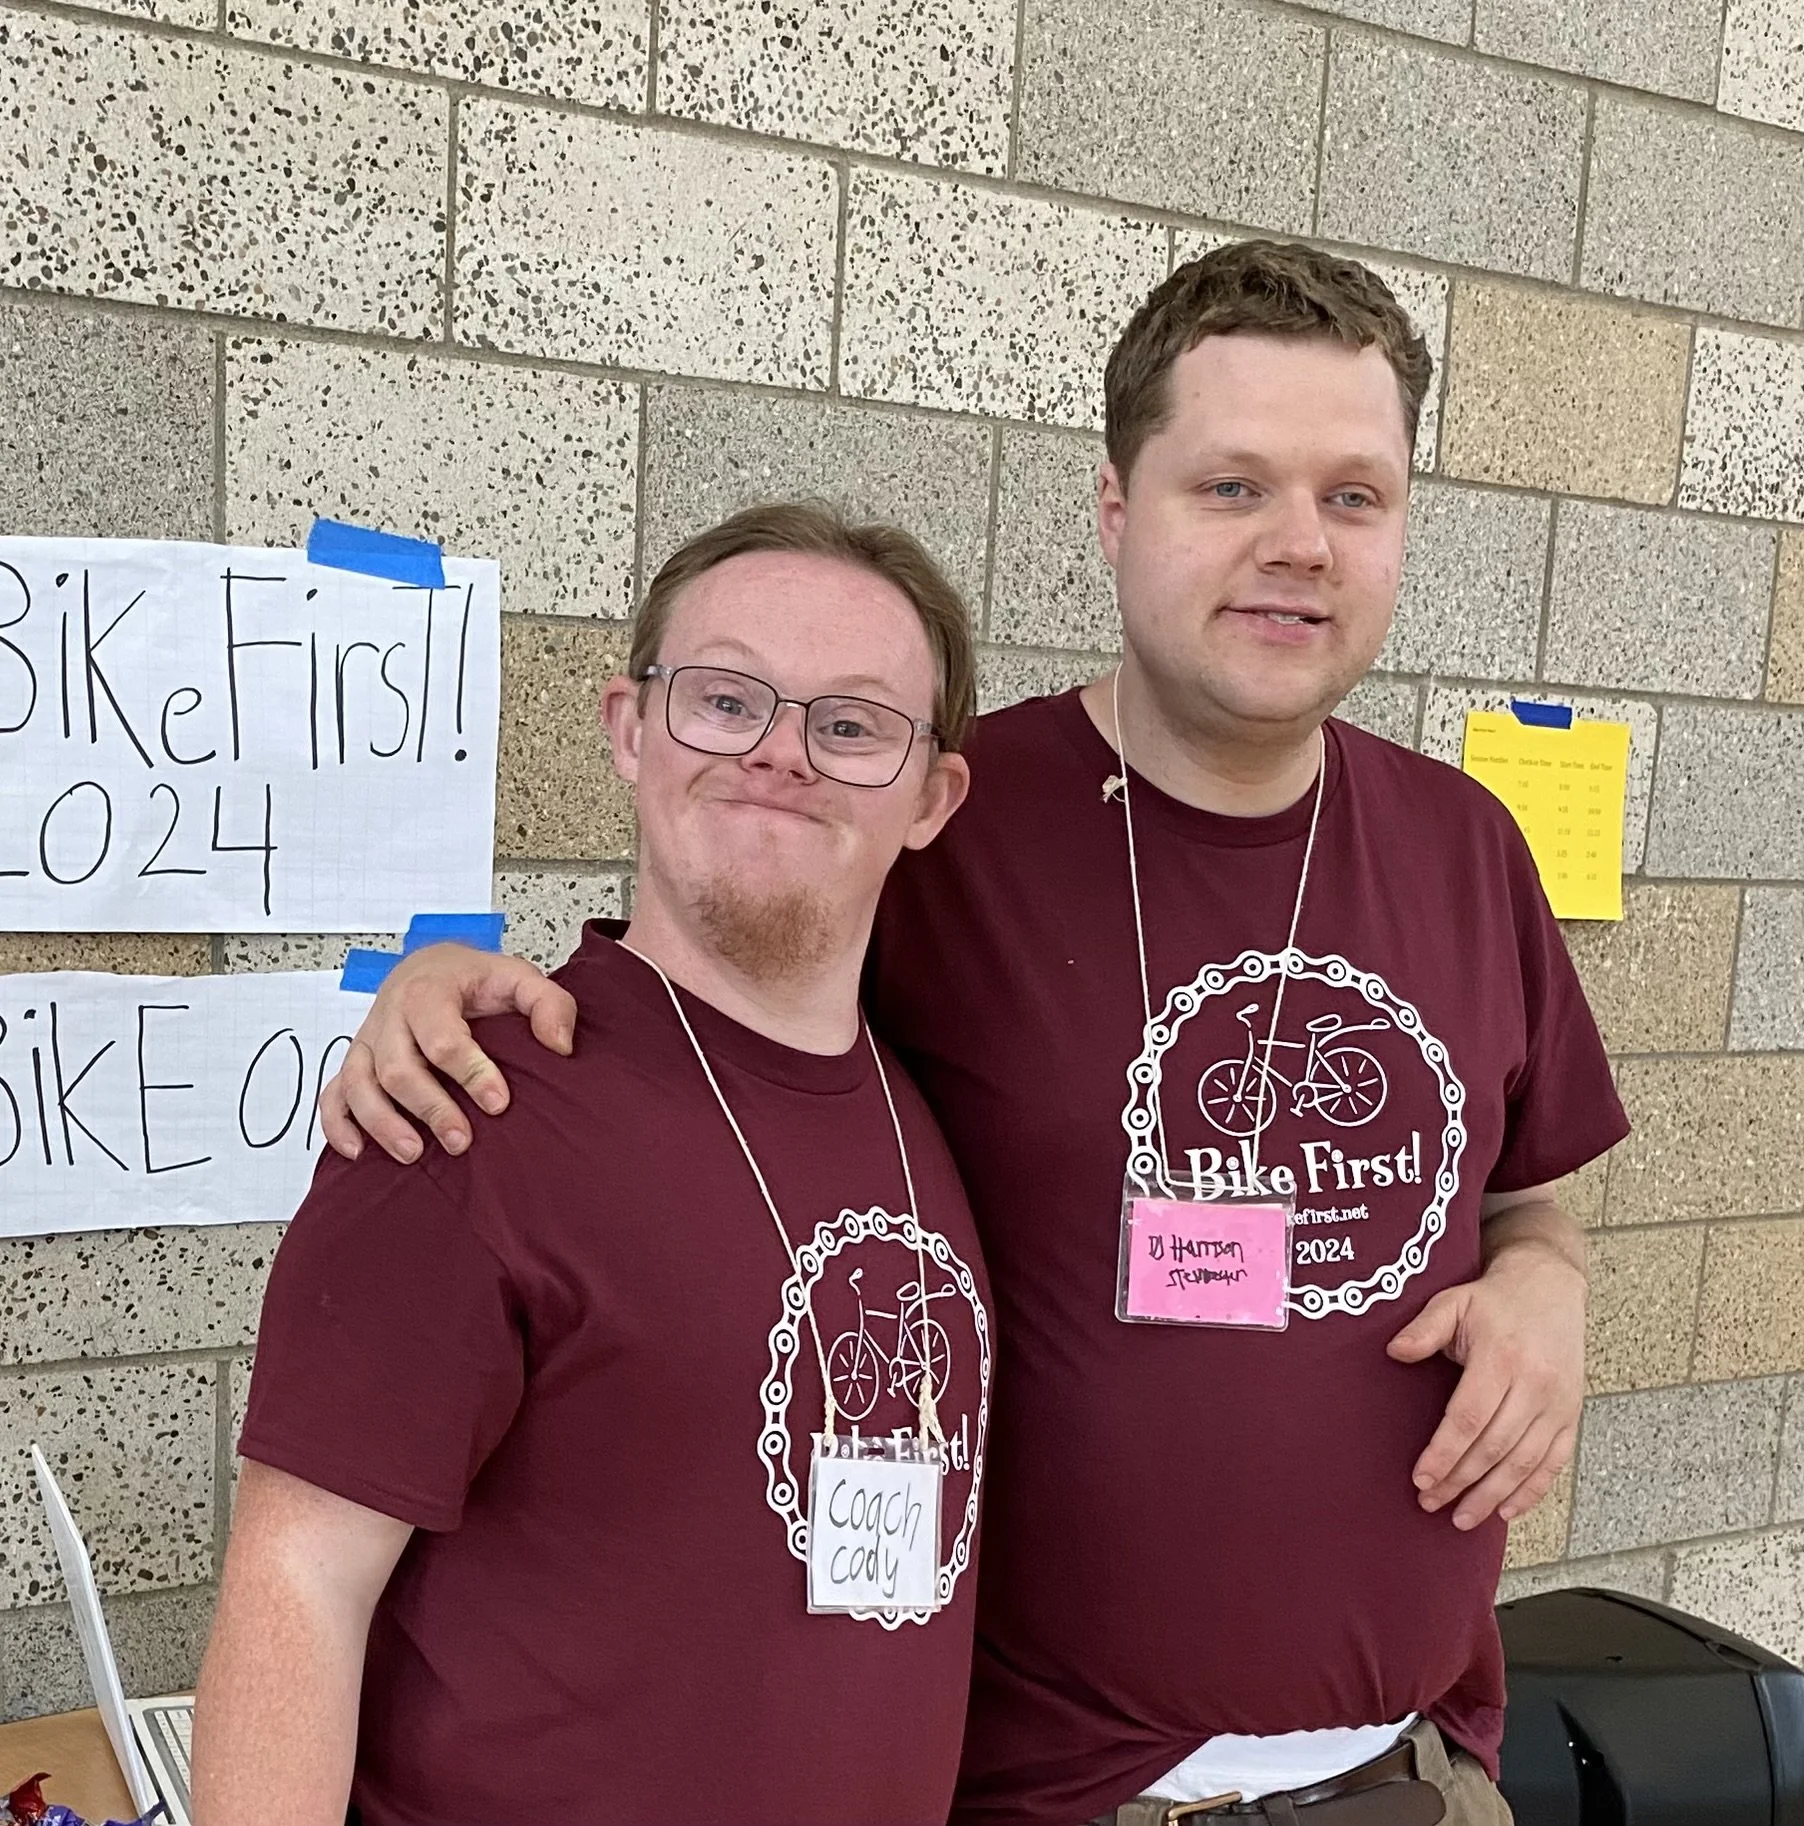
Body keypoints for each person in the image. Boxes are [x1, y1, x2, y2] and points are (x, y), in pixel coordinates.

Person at [317, 242, 1629, 1826]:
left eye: (1356, 496)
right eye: (1232, 487)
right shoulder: (944, 820)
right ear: (1115, 512)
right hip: (1058, 1791)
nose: (1299, 546)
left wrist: (1550, 1279)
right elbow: (717, 967)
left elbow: (1531, 1182)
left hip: (1405, 1775)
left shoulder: (1467, 848)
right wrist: (440, 990)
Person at [191, 503, 995, 1826]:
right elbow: (297, 1584)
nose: (783, 754)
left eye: (852, 724)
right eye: (726, 699)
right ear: (630, 728)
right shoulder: (467, 1112)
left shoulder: (929, 1110)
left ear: (930, 796)